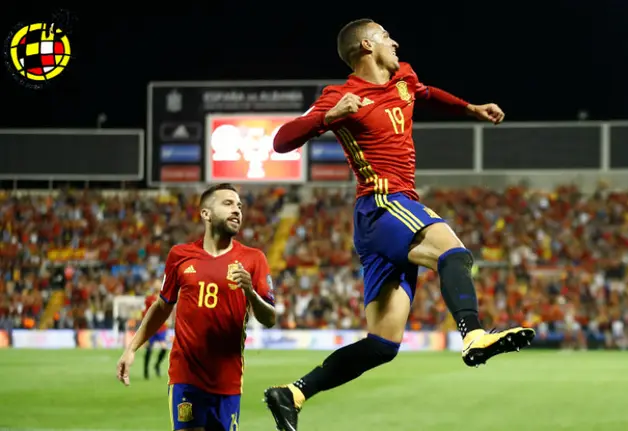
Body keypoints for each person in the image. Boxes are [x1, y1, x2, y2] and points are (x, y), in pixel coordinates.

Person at [264, 18, 535, 431]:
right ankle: (473, 334)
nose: (396, 42)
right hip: (384, 201)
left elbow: (426, 93)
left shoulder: (403, 76)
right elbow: (281, 141)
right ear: (367, 46)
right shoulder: (340, 96)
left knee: (383, 344)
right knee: (454, 252)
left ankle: (293, 393)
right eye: (387, 36)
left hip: (381, 220)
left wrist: (469, 108)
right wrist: (329, 117)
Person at [116, 183, 277, 431]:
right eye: (228, 204)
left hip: (228, 382)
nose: (237, 210)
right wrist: (132, 348)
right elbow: (162, 306)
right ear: (206, 214)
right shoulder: (179, 255)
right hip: (186, 377)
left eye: (239, 206)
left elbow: (270, 318)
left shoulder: (254, 259)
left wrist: (250, 292)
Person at [142, 287, 169, 380]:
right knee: (149, 349)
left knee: (164, 348)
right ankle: (145, 371)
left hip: (161, 327)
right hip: (152, 327)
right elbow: (144, 311)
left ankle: (157, 365)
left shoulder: (165, 297)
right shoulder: (149, 299)